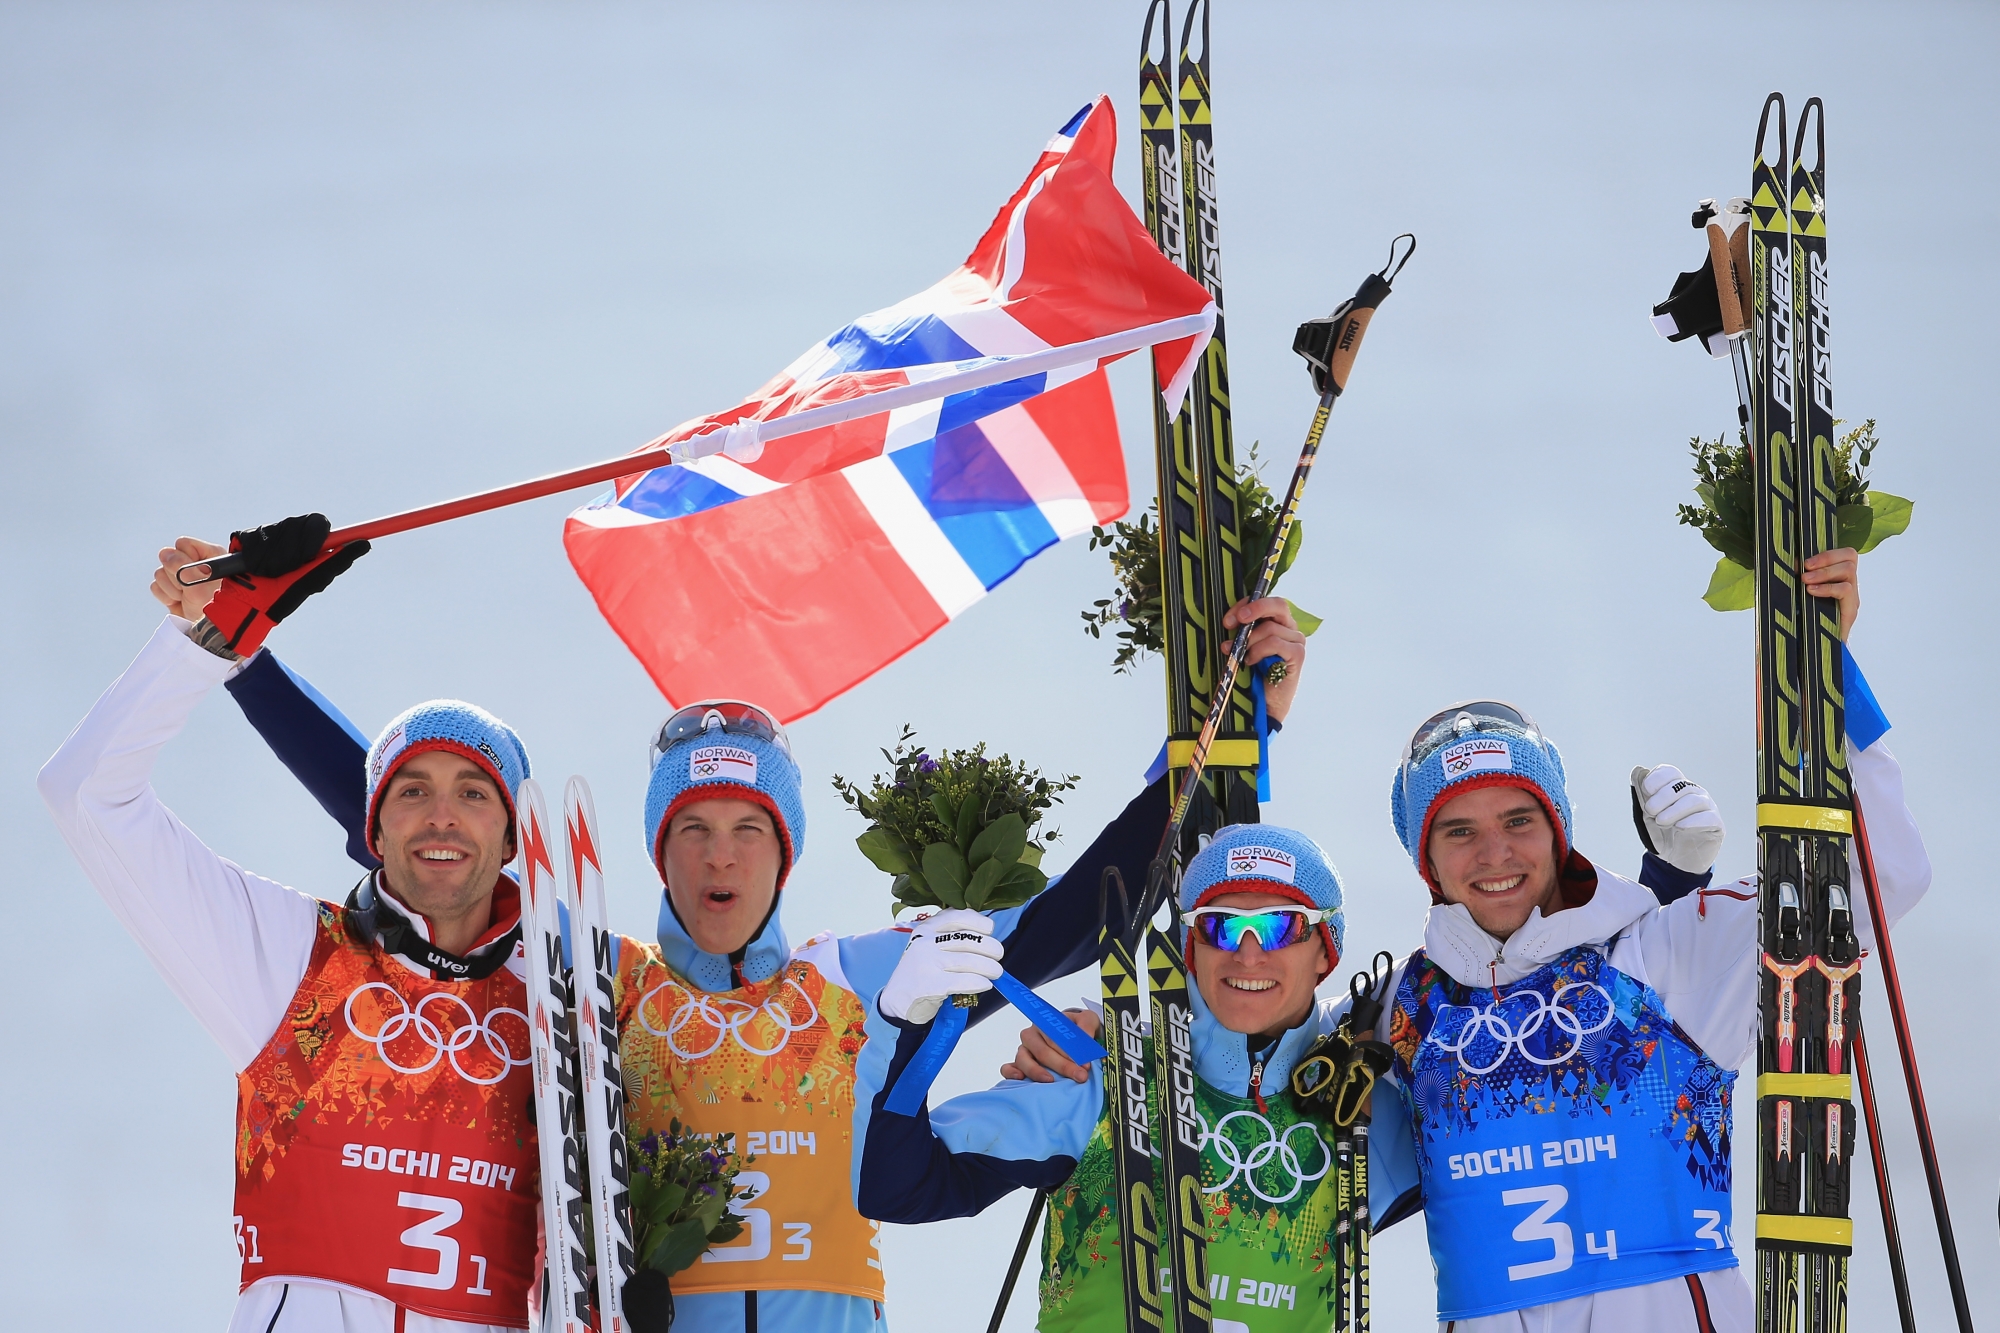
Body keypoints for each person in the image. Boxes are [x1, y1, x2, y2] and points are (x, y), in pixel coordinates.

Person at [189, 516, 1314, 1332]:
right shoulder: (602, 983)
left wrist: (1233, 738)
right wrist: (247, 663)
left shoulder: (866, 975)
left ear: (786, 853)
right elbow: (428, 848)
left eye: (747, 828)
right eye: (690, 830)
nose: (719, 855)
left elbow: (1081, 915)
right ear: (654, 852)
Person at [1355, 547, 1931, 1331]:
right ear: (1426, 859)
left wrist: (1827, 681)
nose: (1495, 853)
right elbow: (1248, 1082)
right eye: (1460, 830)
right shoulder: (1399, 1011)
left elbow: (1880, 877)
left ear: (1559, 831)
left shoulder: (1665, 957)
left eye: (1520, 820)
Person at [40, 518, 545, 1333]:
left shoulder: (566, 1000)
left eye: (475, 794)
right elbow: (87, 795)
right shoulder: (290, 962)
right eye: (410, 792)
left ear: (517, 835)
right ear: (371, 828)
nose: (442, 814)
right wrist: (217, 641)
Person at [856, 824, 1355, 1331]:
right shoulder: (1098, 1078)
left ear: (1324, 949)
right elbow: (898, 1188)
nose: (1248, 954)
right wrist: (914, 1026)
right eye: (1219, 925)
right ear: (1190, 947)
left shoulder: (1358, 1102)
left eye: (1283, 925)